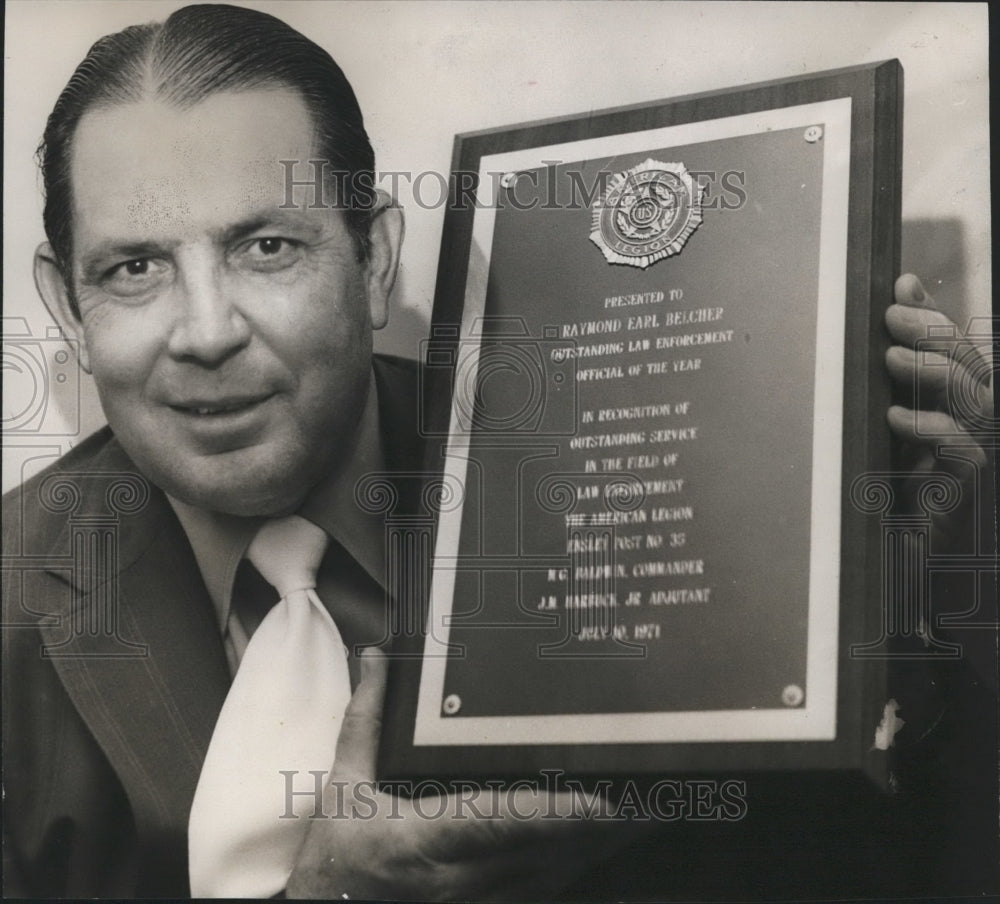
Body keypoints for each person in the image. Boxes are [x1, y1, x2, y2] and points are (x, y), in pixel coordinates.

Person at [2, 3, 993, 900]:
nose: (206, 330)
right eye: (135, 268)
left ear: (375, 258)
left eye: (267, 248)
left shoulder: (612, 469)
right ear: (68, 310)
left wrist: (891, 610)